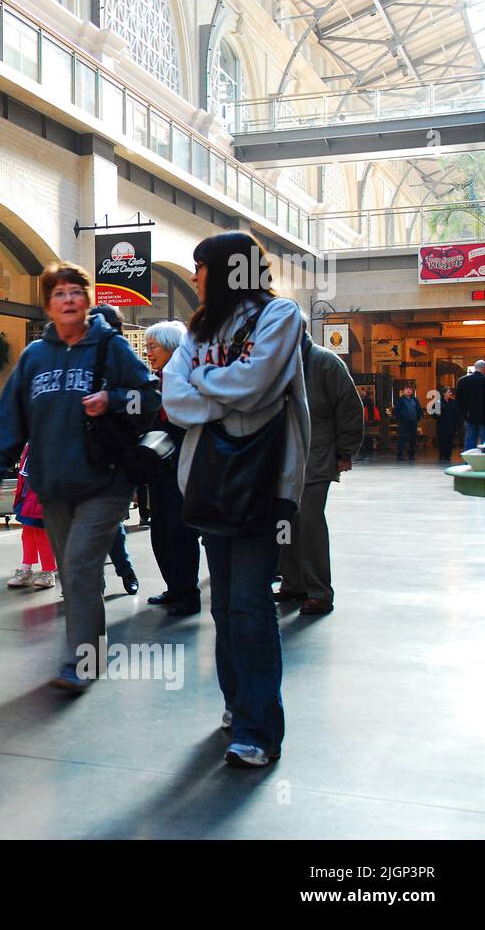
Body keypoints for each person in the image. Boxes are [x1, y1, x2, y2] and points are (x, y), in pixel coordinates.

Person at [162, 231, 309, 769]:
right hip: (210, 483)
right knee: (223, 605)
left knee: (249, 604)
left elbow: (255, 384)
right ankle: (237, 706)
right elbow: (173, 397)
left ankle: (259, 730)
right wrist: (216, 389)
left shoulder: (281, 316)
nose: (194, 276)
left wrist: (205, 383)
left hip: (266, 486)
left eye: (200, 266)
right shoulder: (198, 330)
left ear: (226, 268)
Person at [0, 263, 159, 693]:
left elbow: (150, 396)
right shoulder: (35, 358)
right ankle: (90, 652)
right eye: (59, 294)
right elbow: (11, 415)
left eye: (76, 292)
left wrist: (113, 399)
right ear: (48, 304)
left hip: (107, 481)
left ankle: (81, 662)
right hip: (54, 484)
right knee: (74, 574)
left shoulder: (109, 347)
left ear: (87, 298)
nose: (68, 300)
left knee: (78, 567)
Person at [276, 333, 363, 615]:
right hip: (283, 458)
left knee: (310, 524)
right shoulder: (280, 361)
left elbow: (349, 407)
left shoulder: (326, 362)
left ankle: (320, 592)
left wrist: (345, 452)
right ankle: (293, 583)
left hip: (316, 455)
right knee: (285, 522)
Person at [142, 320, 201, 616]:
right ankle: (174, 587)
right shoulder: (154, 382)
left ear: (172, 347)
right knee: (161, 530)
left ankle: (188, 594)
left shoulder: (188, 381)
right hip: (160, 471)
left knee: (181, 532)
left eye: (153, 346)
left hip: (185, 469)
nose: (148, 352)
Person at [89, 304, 140, 596]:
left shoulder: (122, 358)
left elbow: (144, 398)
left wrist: (112, 400)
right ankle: (92, 583)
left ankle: (125, 569)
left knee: (110, 525)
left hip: (114, 456)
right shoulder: (79, 357)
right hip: (83, 459)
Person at [7, 446, 57, 590]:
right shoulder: (30, 446)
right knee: (28, 532)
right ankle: (26, 568)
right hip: (29, 494)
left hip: (46, 494)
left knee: (42, 533)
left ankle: (48, 571)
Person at [458, 360, 485, 452]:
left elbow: (458, 401)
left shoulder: (462, 381)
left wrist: (463, 415)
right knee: (484, 442)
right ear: (483, 369)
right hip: (483, 417)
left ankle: (468, 463)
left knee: (470, 440)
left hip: (469, 416)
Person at [394, 385, 422, 460]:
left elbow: (419, 410)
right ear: (403, 391)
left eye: (410, 389)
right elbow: (396, 411)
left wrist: (417, 419)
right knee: (402, 438)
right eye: (406, 389)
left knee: (413, 439)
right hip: (403, 422)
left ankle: (411, 455)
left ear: (412, 391)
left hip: (413, 422)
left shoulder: (415, 400)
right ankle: (400, 455)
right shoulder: (400, 400)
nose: (408, 390)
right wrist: (400, 419)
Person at [437, 388, 462, 463]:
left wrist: (458, 424)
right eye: (449, 392)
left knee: (450, 441)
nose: (450, 393)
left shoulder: (453, 402)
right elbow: (434, 414)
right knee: (442, 441)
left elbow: (457, 413)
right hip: (441, 425)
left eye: (450, 392)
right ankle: (441, 456)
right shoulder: (438, 402)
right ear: (444, 393)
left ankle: (448, 456)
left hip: (451, 425)